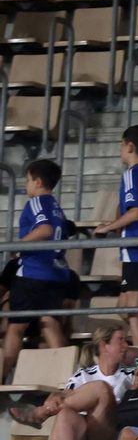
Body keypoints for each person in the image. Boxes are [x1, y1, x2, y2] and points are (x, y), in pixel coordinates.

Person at [9, 324, 134, 440]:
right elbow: (67, 394)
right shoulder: (84, 374)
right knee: (65, 414)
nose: (126, 345)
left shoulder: (130, 376)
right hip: (80, 430)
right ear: (104, 346)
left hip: (107, 431)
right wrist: (56, 395)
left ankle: (42, 413)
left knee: (101, 388)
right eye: (120, 340)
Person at [93, 125, 138, 349]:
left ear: (130, 146)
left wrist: (107, 227)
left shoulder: (133, 174)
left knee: (134, 313)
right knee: (126, 308)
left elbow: (136, 212)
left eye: (122, 145)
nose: (120, 150)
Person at [2, 159, 72, 376]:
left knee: (15, 327)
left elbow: (45, 229)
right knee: (49, 322)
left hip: (34, 272)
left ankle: (2, 377)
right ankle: (68, 377)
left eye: (28, 179)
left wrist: (17, 247)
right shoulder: (56, 207)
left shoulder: (37, 203)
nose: (26, 184)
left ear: (38, 182)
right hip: (56, 274)